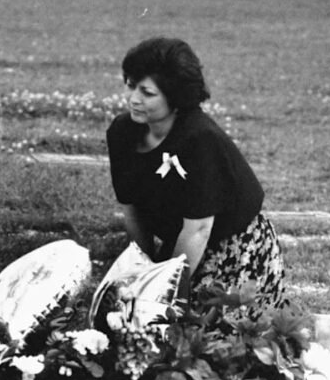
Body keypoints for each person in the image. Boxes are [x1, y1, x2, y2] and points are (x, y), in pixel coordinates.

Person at [105, 37, 285, 315]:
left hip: (234, 246)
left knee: (192, 324)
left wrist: (164, 290)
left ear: (175, 97)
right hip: (181, 241)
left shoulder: (200, 139)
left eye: (147, 93)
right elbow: (132, 210)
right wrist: (142, 270)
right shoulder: (122, 132)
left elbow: (199, 230)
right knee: (126, 310)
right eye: (130, 85)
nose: (133, 99)